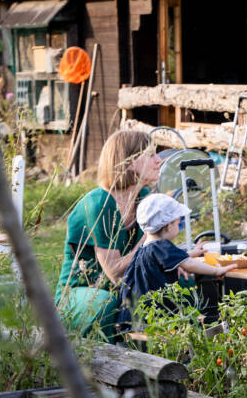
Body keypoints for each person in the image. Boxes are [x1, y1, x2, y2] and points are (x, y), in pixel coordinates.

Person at [55, 130, 163, 341]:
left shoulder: (143, 198)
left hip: (122, 287)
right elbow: (114, 272)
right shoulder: (100, 203)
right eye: (150, 155)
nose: (159, 160)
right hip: (83, 292)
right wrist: (150, 236)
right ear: (130, 162)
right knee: (104, 303)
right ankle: (101, 366)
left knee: (178, 284)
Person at [119, 194, 234, 325]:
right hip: (151, 316)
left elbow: (169, 258)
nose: (179, 228)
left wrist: (191, 253)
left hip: (132, 315)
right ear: (169, 225)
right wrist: (216, 271)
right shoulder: (161, 245)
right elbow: (188, 264)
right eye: (179, 224)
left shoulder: (145, 247)